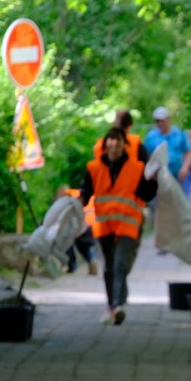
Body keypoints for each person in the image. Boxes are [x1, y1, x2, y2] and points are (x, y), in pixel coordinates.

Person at [81, 127, 158, 325]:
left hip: (128, 224)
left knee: (120, 264)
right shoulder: (94, 168)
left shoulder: (137, 168)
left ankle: (117, 305)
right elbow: (85, 194)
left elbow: (146, 194)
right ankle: (114, 305)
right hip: (104, 224)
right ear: (105, 146)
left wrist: (154, 181)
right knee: (109, 267)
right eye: (111, 144)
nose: (114, 148)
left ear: (124, 145)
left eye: (118, 143)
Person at [144, 106, 191, 189]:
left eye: (162, 120)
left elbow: (189, 152)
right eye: (157, 121)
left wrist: (185, 167)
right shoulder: (151, 136)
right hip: (157, 177)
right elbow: (145, 155)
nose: (160, 123)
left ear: (168, 119)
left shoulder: (180, 133)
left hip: (176, 176)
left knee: (177, 200)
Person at [56, 184, 100, 276]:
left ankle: (72, 266)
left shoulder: (66, 198)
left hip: (77, 225)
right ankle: (92, 259)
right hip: (90, 224)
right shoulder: (80, 193)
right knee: (86, 246)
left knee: (67, 243)